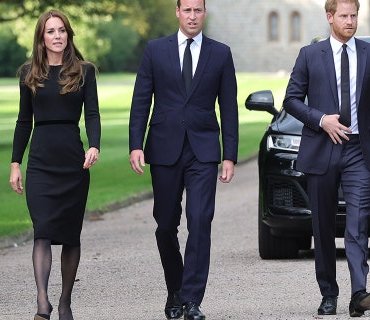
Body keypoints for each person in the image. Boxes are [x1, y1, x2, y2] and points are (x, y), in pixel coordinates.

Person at [283, 0, 370, 317]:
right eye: (344, 16)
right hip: (322, 147)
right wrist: (321, 120)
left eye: (354, 15)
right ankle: (328, 293)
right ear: (329, 17)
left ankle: (359, 292)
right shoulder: (309, 55)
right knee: (323, 225)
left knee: (358, 222)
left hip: (360, 150)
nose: (350, 21)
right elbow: (291, 99)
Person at [128, 0, 238, 319]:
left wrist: (229, 154)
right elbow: (140, 101)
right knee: (165, 226)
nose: (192, 16)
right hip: (163, 148)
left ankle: (191, 300)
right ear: (177, 12)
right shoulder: (155, 50)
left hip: (203, 150)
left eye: (198, 10)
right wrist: (137, 145)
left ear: (205, 13)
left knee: (201, 221)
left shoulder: (220, 53)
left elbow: (228, 109)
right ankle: (174, 289)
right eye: (187, 10)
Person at [9, 9, 100, 320]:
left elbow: (93, 115)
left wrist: (95, 145)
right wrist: (15, 163)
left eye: (62, 30)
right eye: (51, 31)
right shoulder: (28, 74)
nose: (57, 36)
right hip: (40, 165)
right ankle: (42, 303)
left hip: (73, 165)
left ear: (68, 34)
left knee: (71, 236)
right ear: (41, 38)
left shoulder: (85, 72)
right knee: (43, 231)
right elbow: (23, 122)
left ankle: (64, 303)